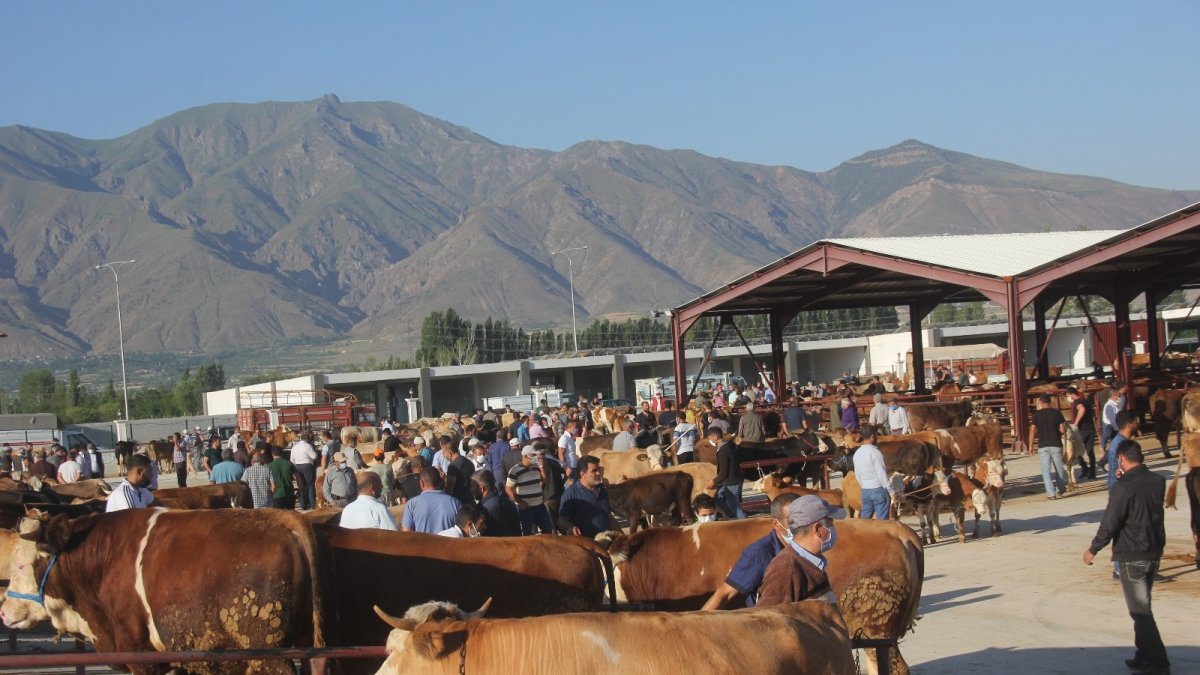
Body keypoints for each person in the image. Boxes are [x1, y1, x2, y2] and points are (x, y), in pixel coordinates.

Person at [1083, 442, 1169, 675]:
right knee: (1143, 607)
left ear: (1121, 459)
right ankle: (1143, 654)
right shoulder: (1158, 481)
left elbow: (1111, 521)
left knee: (1140, 612)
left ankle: (1159, 662)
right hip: (1153, 550)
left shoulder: (1122, 488)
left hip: (1132, 554)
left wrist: (1094, 548)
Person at [701, 493, 800, 610]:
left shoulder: (809, 545)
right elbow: (725, 594)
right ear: (776, 524)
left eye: (805, 518)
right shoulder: (760, 553)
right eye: (793, 521)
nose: (801, 524)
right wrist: (697, 626)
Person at [755, 495, 842, 607]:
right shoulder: (786, 571)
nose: (833, 528)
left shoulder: (810, 562)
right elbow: (768, 620)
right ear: (817, 529)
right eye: (830, 524)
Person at [558, 456, 616, 536]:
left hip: (607, 541)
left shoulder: (601, 490)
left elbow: (609, 516)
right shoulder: (571, 494)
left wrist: (621, 535)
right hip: (586, 545)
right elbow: (562, 520)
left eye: (598, 469)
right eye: (594, 471)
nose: (599, 473)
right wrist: (571, 527)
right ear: (583, 474)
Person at [507, 445, 555, 535]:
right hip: (527, 508)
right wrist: (520, 502)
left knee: (548, 529)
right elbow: (508, 488)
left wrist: (541, 468)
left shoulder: (536, 467)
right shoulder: (515, 470)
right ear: (525, 456)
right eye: (532, 455)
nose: (534, 458)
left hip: (539, 505)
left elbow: (544, 480)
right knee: (528, 533)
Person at [851, 424, 895, 520]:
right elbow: (882, 474)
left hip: (865, 490)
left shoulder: (857, 453)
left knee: (865, 520)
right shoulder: (875, 452)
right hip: (878, 489)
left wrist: (864, 486)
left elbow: (857, 475)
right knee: (882, 521)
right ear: (872, 437)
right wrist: (892, 492)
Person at [1030, 394, 1069, 500]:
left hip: (1043, 445)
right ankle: (1060, 489)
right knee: (1059, 468)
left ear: (1041, 403)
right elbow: (1062, 430)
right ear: (1049, 402)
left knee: (1046, 470)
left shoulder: (1036, 415)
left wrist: (1030, 445)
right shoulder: (1057, 413)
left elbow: (1033, 430)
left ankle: (1051, 493)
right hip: (1056, 444)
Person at [401, 468, 461, 533]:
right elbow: (461, 531)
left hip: (422, 543)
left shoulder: (411, 504)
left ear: (421, 483)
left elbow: (406, 532)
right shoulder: (455, 503)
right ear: (440, 481)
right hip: (448, 543)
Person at [706, 427, 745, 519]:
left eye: (709, 437)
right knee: (717, 497)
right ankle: (730, 515)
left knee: (735, 507)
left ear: (715, 437)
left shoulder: (722, 451)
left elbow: (723, 472)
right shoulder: (729, 446)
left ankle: (745, 524)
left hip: (730, 482)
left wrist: (713, 481)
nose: (709, 440)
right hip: (733, 480)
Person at [472, 469, 521, 537]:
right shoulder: (508, 502)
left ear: (481, 488)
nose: (472, 490)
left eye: (473, 487)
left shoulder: (484, 510)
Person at [1069, 386, 1098, 480]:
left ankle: (1085, 468)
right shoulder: (1085, 401)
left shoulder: (1077, 402)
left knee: (1076, 451)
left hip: (1082, 430)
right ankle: (1092, 472)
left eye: (1068, 395)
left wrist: (1076, 423)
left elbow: (1081, 409)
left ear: (1071, 395)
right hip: (1090, 428)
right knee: (1090, 451)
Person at [1108, 410, 1141, 492]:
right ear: (1129, 425)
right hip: (1122, 490)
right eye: (1136, 422)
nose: (1138, 424)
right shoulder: (1122, 445)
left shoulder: (1118, 441)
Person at [291, 431, 319, 510]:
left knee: (301, 486)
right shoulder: (308, 446)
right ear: (307, 439)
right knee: (310, 486)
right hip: (307, 466)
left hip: (297, 466)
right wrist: (316, 453)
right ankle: (312, 505)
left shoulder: (294, 447)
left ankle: (303, 505)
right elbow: (313, 456)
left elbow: (291, 460)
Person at [1100, 386, 1123, 471]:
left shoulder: (1113, 405)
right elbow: (1112, 419)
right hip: (1112, 427)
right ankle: (1104, 461)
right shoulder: (1110, 406)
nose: (1119, 398)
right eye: (1118, 396)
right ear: (1113, 396)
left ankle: (1106, 461)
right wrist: (1118, 429)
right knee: (1116, 446)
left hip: (1114, 427)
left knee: (1116, 446)